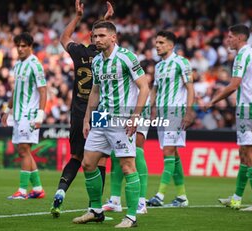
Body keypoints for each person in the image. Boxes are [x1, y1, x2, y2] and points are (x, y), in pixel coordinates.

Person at [72, 21, 149, 228]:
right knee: (88, 163)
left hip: (122, 118)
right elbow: (95, 91)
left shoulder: (126, 57)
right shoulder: (96, 61)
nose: (97, 39)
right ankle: (96, 211)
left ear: (113, 37)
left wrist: (136, 116)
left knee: (126, 166)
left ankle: (131, 216)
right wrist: (87, 118)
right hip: (101, 117)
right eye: (95, 36)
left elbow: (144, 87)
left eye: (102, 36)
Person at [50, 0, 113, 217]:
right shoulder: (103, 57)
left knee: (77, 157)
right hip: (101, 110)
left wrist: (77, 17)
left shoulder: (79, 52)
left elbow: (64, 38)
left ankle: (61, 191)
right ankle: (95, 206)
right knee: (101, 158)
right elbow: (107, 39)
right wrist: (106, 21)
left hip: (78, 110)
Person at [206, 24, 252, 212]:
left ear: (240, 38)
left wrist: (213, 101)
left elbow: (234, 85)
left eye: (230, 37)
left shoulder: (242, 55)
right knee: (243, 153)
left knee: (249, 153)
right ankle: (236, 198)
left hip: (249, 107)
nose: (228, 40)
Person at [147, 31, 194, 207]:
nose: (157, 45)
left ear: (170, 45)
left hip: (176, 112)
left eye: (161, 42)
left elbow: (190, 88)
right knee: (172, 153)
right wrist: (148, 109)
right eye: (156, 42)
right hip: (161, 114)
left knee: (168, 151)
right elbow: (154, 90)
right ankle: (182, 197)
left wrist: (189, 112)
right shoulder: (159, 67)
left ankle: (159, 195)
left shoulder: (182, 62)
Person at [1, 32, 47, 199]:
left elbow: (43, 91)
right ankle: (37, 188)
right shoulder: (18, 65)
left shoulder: (35, 65)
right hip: (19, 115)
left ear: (30, 47)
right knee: (23, 151)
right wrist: (7, 110)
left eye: (23, 46)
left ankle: (22, 191)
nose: (20, 49)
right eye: (18, 46)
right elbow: (15, 90)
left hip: (30, 114)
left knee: (24, 150)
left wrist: (40, 115)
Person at [102, 98, 150, 214]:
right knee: (116, 152)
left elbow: (145, 82)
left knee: (137, 150)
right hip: (117, 108)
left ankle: (141, 202)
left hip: (138, 106)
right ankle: (115, 200)